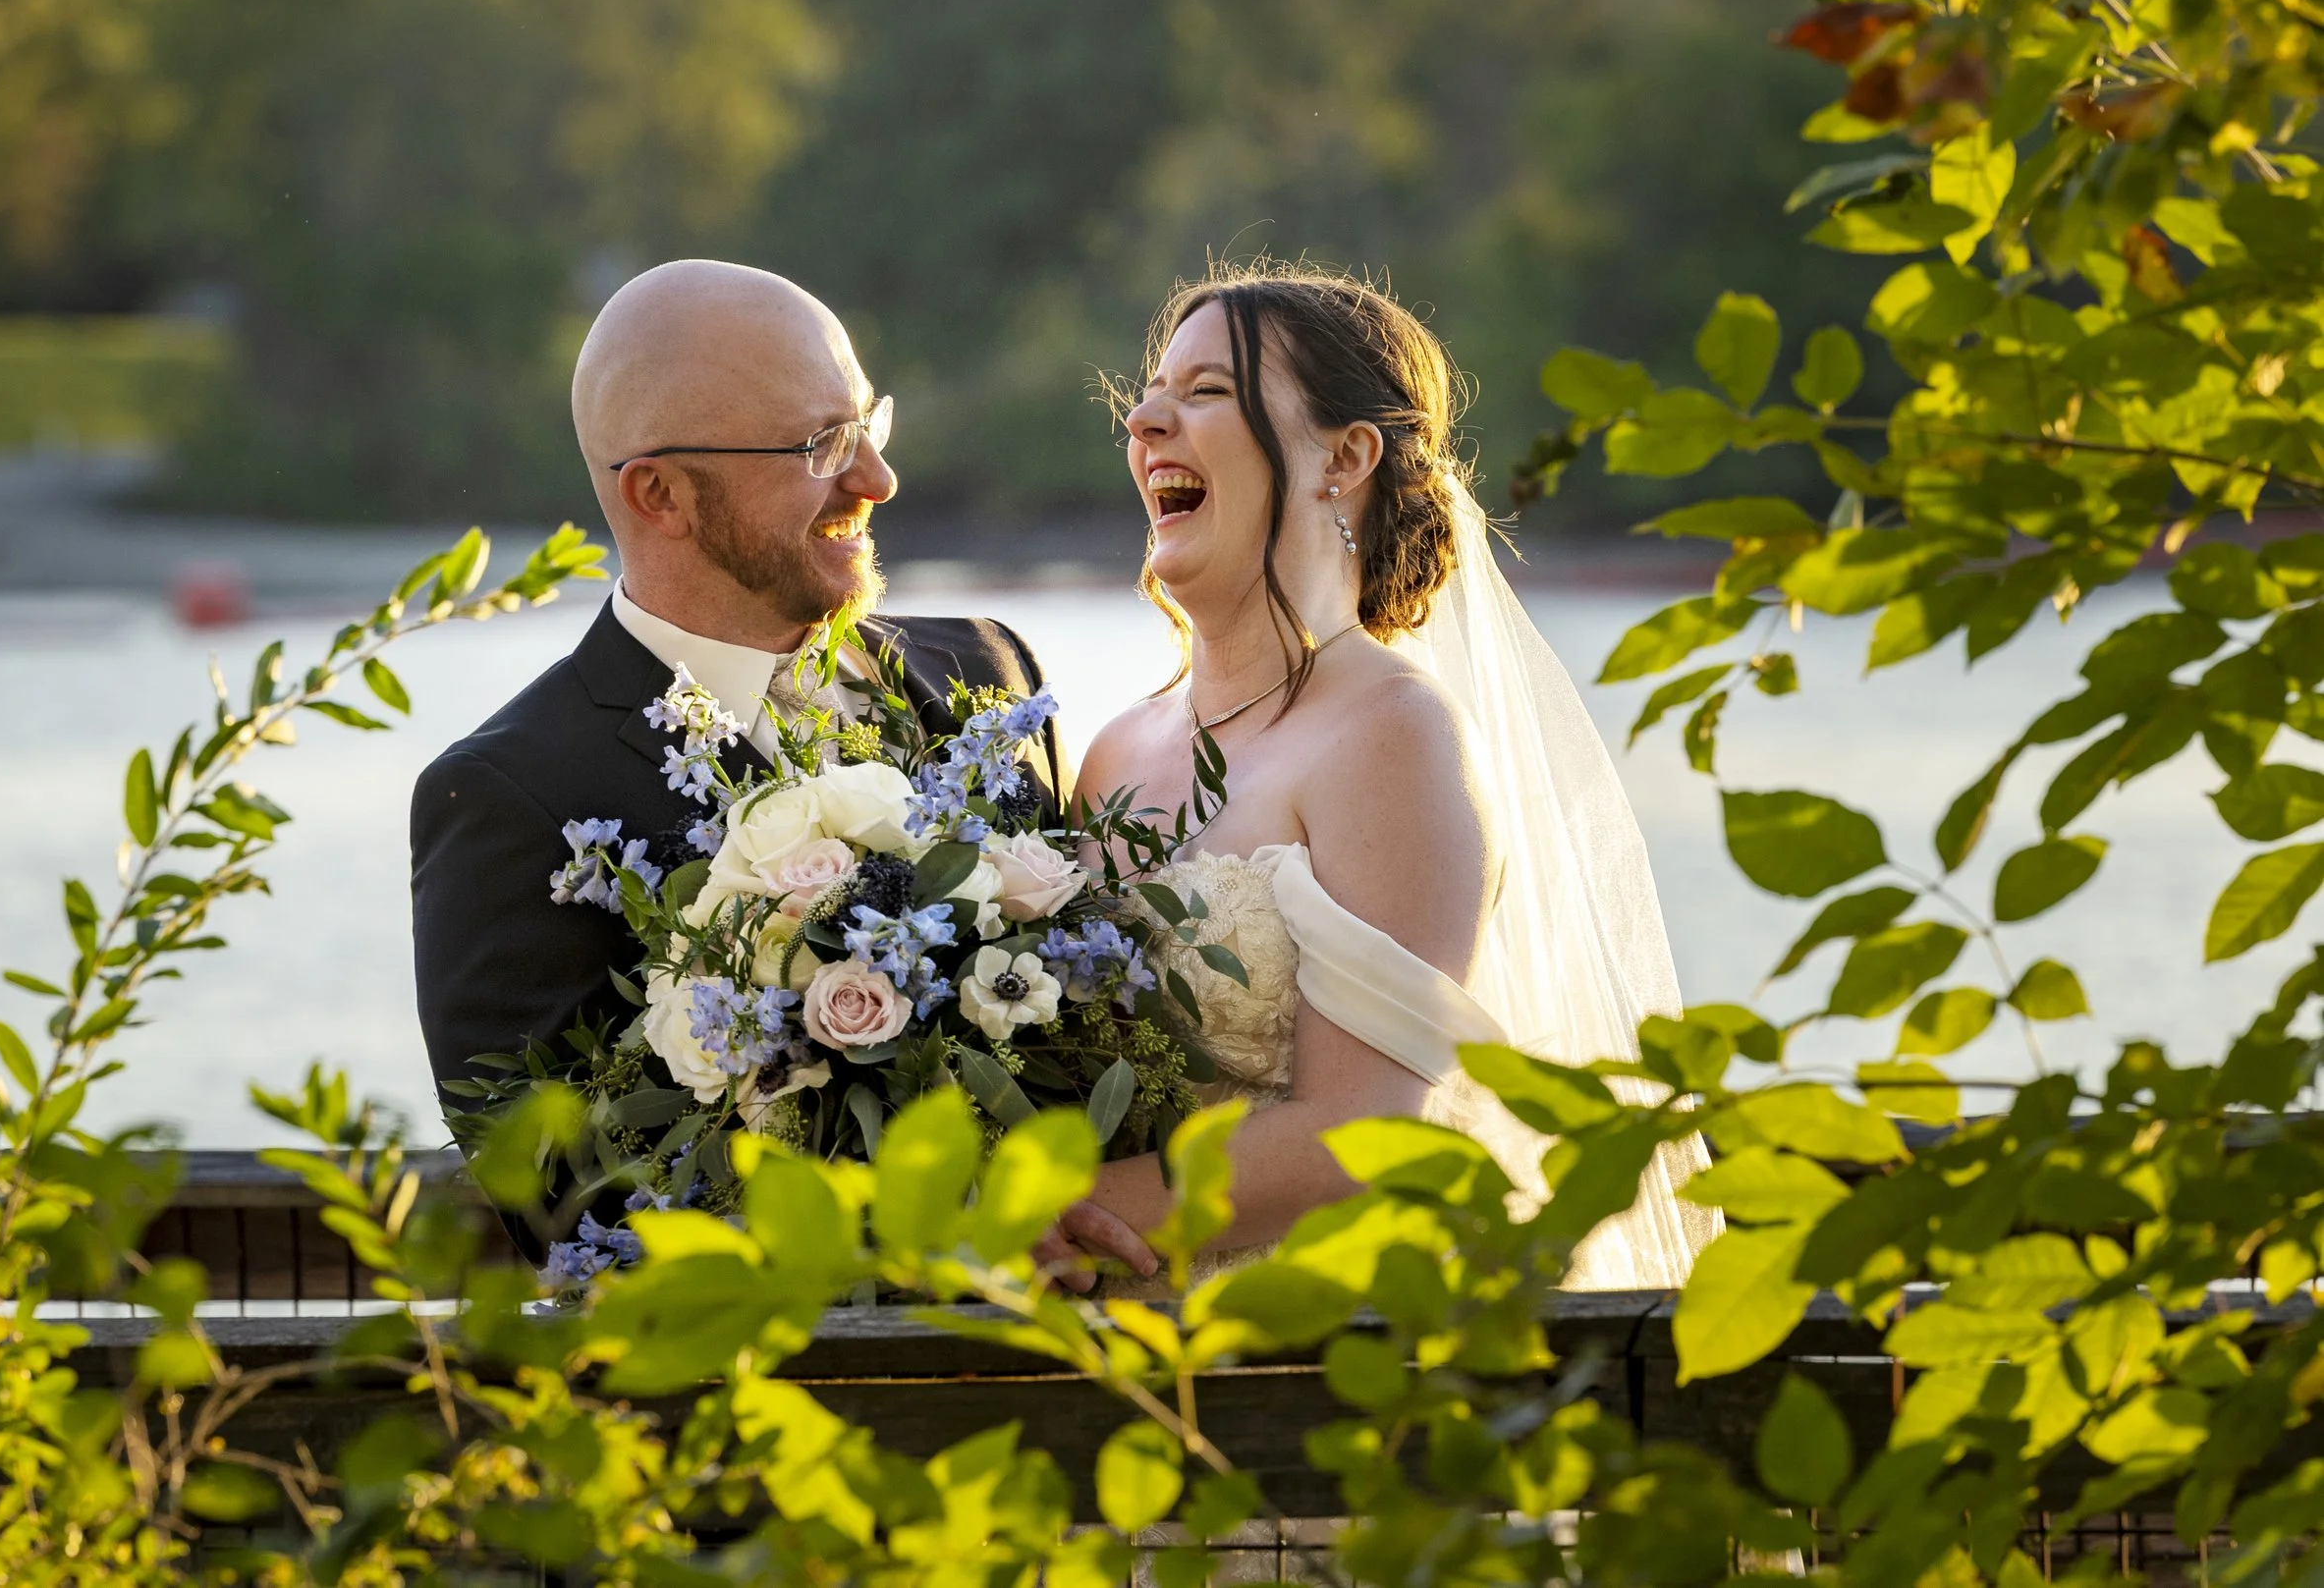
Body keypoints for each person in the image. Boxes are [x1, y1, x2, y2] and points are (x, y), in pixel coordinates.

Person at [409, 259, 1156, 1277]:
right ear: (660, 493)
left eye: (865, 425)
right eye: (820, 446)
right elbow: (576, 1208)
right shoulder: (510, 799)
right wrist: (941, 1242)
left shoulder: (989, 670)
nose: (875, 481)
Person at [1070, 264, 1718, 1292]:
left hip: (1325, 1329)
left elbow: (1358, 1132)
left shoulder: (1391, 733)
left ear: (1346, 453)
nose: (1144, 420)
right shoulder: (1112, 751)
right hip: (1101, 1316)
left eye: (1202, 393)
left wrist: (1043, 1215)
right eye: (1151, 393)